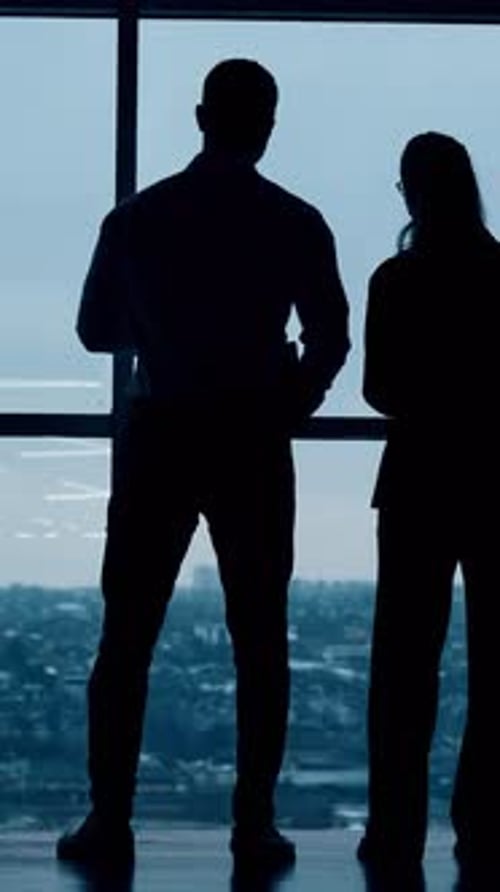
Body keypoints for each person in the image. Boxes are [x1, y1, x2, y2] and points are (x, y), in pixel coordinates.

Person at [56, 58, 350, 870]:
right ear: (267, 125)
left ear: (200, 117)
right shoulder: (294, 221)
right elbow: (330, 337)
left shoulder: (138, 218)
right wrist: (288, 399)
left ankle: (109, 818)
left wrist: (164, 331)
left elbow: (93, 330)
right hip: (252, 436)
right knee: (260, 639)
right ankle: (253, 823)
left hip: (161, 432)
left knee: (127, 636)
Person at [357, 131, 500, 877]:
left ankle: (394, 829)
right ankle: (486, 822)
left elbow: (379, 388)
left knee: (404, 666)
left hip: (416, 479)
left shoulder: (396, 280)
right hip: (494, 481)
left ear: (412, 192)